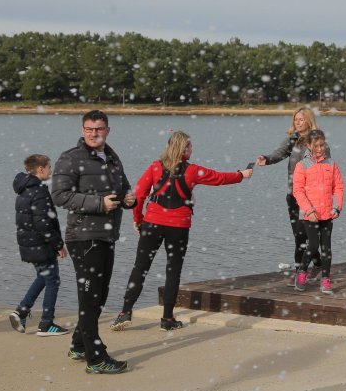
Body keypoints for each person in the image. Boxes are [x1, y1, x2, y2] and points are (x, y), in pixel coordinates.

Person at [110, 131, 253, 332]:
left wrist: (138, 219)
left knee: (140, 268)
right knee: (173, 271)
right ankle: (167, 319)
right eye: (190, 146)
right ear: (184, 149)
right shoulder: (192, 171)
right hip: (178, 227)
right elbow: (219, 178)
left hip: (152, 224)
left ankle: (125, 312)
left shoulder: (155, 167)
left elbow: (139, 195)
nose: (192, 150)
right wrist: (241, 175)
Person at [51, 109, 135, 375]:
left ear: (107, 130)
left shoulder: (111, 156)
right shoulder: (70, 158)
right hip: (83, 237)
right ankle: (96, 359)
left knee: (100, 295)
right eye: (89, 129)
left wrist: (129, 198)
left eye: (98, 129)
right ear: (82, 130)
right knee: (90, 298)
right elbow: (59, 195)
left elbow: (122, 188)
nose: (94, 133)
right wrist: (99, 203)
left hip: (106, 235)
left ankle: (78, 345)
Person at [255, 108, 326, 282]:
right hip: (293, 195)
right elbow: (278, 153)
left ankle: (302, 272)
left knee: (306, 235)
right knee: (298, 235)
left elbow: (326, 167)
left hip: (311, 197)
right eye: (296, 119)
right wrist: (267, 159)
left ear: (309, 120)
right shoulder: (293, 139)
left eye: (301, 119)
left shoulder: (317, 141)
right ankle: (312, 266)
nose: (298, 122)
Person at [10, 154, 69, 336]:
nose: (50, 171)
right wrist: (58, 245)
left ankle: (21, 311)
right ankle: (46, 323)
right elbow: (43, 223)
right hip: (41, 244)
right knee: (52, 280)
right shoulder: (39, 191)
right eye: (49, 167)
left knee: (43, 277)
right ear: (40, 169)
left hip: (30, 243)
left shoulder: (24, 188)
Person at [291, 130, 344, 294]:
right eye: (316, 146)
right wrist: (308, 210)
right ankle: (302, 272)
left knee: (326, 248)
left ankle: (326, 279)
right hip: (309, 215)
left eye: (322, 145)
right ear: (308, 145)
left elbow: (338, 187)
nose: (320, 149)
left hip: (327, 214)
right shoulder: (302, 166)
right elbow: (298, 191)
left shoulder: (331, 164)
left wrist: (337, 207)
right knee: (313, 245)